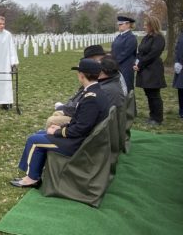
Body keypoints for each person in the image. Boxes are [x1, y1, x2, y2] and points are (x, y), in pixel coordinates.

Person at [11, 58, 110, 188]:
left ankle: (32, 179)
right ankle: (33, 173)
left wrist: (58, 132)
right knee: (40, 133)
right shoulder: (97, 92)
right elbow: (81, 121)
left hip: (78, 143)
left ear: (82, 75)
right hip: (83, 138)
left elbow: (81, 128)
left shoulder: (91, 98)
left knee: (33, 140)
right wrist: (60, 126)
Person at [47, 45, 108, 128]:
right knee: (56, 114)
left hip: (79, 128)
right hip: (80, 119)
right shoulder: (94, 86)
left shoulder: (92, 94)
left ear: (82, 75)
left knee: (51, 122)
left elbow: (82, 125)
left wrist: (59, 131)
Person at [134, 16, 167, 125]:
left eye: (145, 24)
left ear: (152, 25)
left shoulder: (159, 38)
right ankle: (152, 116)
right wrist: (137, 63)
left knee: (154, 95)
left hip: (153, 70)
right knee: (148, 94)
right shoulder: (147, 37)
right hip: (144, 69)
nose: (144, 26)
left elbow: (153, 54)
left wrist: (140, 64)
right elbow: (140, 51)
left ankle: (157, 118)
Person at [111, 15, 137, 91]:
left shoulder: (131, 37)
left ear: (128, 24)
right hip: (116, 66)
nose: (119, 26)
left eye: (121, 24)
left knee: (126, 88)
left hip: (126, 67)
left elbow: (126, 53)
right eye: (118, 24)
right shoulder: (119, 36)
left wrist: (114, 62)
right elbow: (114, 49)